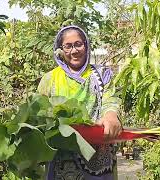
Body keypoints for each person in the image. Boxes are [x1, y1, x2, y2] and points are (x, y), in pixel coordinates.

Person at [37, 25, 122, 180]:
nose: (74, 51)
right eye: (68, 46)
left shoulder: (101, 75)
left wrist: (110, 115)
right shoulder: (50, 79)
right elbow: (39, 114)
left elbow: (111, 100)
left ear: (86, 44)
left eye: (78, 44)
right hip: (61, 162)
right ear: (60, 49)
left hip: (98, 160)